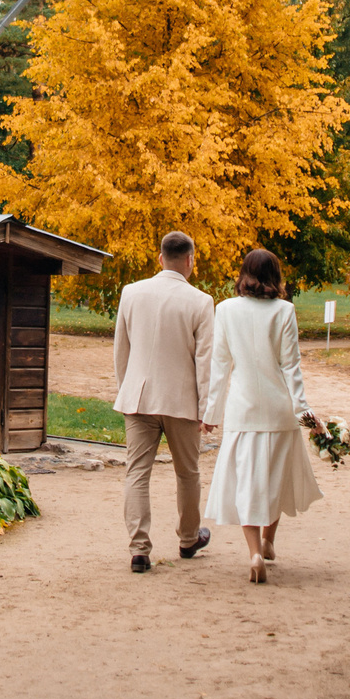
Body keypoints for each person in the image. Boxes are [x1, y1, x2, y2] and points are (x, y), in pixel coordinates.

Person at [201, 246, 324, 584]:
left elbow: (220, 365)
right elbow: (291, 367)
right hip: (279, 410)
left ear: (244, 274)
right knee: (276, 480)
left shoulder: (224, 310)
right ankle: (269, 541)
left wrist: (211, 412)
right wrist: (305, 413)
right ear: (275, 277)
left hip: (243, 409)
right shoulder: (284, 311)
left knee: (246, 482)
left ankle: (255, 551)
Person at [111, 230, 215, 573]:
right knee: (188, 473)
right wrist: (207, 408)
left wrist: (126, 388)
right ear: (190, 260)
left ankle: (139, 548)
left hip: (138, 396)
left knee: (137, 472)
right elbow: (205, 362)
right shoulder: (201, 301)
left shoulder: (131, 293)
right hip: (181, 400)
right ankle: (188, 539)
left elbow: (121, 350)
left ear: (160, 258)